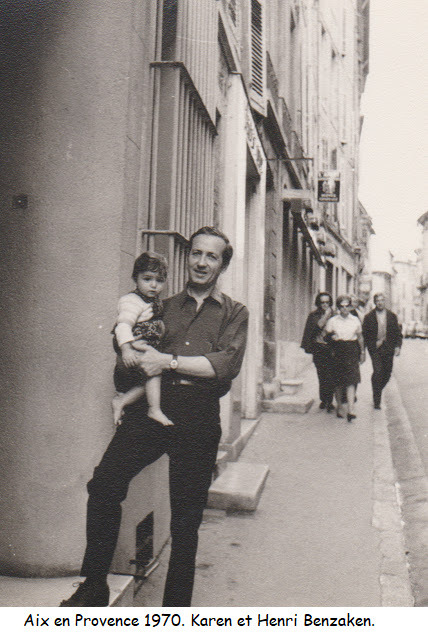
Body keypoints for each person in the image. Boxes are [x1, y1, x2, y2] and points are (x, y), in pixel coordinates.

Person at [60, 226, 249, 608]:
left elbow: (225, 366)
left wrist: (168, 361)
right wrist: (130, 356)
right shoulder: (161, 307)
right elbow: (129, 356)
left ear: (222, 264)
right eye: (196, 253)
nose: (201, 262)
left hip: (199, 416)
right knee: (104, 485)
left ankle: (174, 614)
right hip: (152, 409)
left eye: (211, 256)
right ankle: (93, 586)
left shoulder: (234, 312)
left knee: (186, 521)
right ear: (188, 256)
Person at [112, 251, 172, 427]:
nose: (153, 285)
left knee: (152, 378)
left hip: (142, 351)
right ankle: (154, 409)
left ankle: (121, 401)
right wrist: (127, 350)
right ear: (135, 278)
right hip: (132, 352)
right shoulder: (132, 301)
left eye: (159, 280)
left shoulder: (152, 301)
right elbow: (122, 326)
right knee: (155, 371)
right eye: (147, 279)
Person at [325, 294, 365, 422]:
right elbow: (326, 335)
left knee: (351, 381)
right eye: (342, 306)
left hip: (351, 350)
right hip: (337, 350)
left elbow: (360, 337)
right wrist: (332, 338)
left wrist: (362, 352)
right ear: (338, 308)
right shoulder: (333, 321)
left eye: (347, 306)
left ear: (350, 307)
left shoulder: (355, 320)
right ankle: (340, 406)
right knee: (338, 382)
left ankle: (351, 410)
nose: (344, 309)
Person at [362, 293, 402, 409]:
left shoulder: (392, 316)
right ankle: (377, 400)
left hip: (388, 348)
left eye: (382, 300)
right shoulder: (369, 317)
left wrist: (397, 346)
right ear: (375, 302)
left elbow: (398, 333)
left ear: (385, 301)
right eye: (378, 300)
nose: (380, 303)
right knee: (378, 371)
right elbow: (365, 335)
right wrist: (371, 345)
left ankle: (376, 389)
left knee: (387, 373)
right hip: (375, 349)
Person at [301, 292, 335, 411]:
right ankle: (323, 399)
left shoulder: (335, 315)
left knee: (331, 375)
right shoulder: (314, 315)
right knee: (322, 375)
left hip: (332, 348)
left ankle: (330, 401)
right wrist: (326, 316)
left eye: (327, 302)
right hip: (319, 348)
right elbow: (316, 328)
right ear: (319, 303)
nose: (325, 304)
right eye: (322, 302)